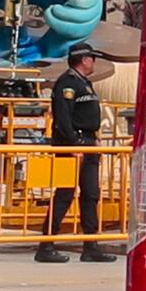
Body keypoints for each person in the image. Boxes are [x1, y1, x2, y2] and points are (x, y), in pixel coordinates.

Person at [37, 47, 115, 261]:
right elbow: (62, 116)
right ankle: (46, 246)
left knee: (90, 194)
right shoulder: (67, 83)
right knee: (64, 195)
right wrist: (73, 143)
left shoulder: (83, 83)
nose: (94, 63)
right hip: (72, 145)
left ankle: (91, 246)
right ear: (83, 60)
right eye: (92, 59)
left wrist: (94, 137)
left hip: (88, 143)